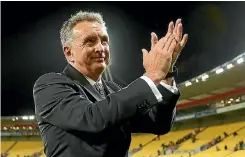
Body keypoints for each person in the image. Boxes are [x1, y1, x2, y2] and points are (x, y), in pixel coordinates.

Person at [33, 11, 188, 157]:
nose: (101, 48)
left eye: (104, 41)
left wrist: (166, 74)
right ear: (69, 52)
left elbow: (158, 124)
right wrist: (152, 75)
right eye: (90, 41)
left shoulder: (112, 89)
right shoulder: (49, 86)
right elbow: (92, 118)